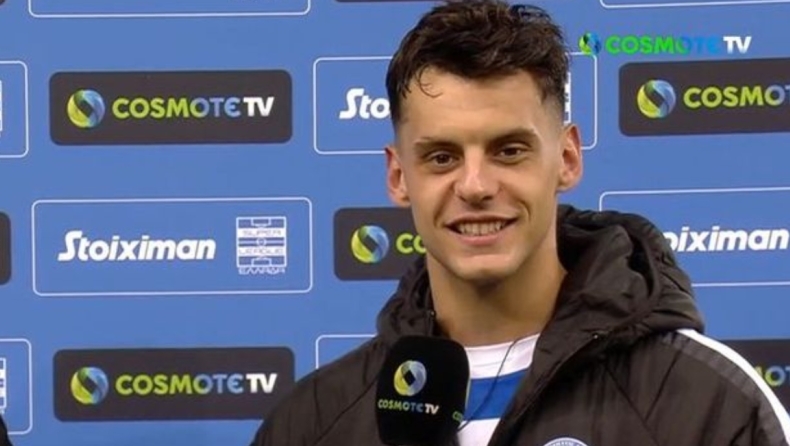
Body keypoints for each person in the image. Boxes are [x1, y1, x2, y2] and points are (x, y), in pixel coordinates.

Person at [249, 1, 790, 445]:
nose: (475, 185)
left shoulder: (710, 404)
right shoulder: (312, 424)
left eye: (509, 150)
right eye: (441, 157)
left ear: (567, 159)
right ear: (398, 176)